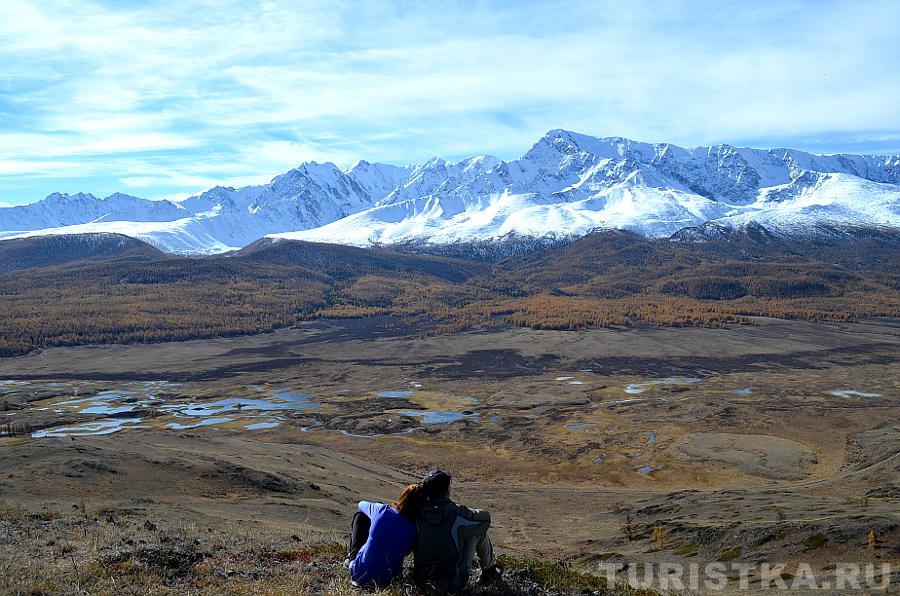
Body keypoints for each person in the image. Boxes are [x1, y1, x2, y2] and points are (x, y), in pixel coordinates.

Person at [413, 469, 502, 591]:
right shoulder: (456, 514)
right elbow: (485, 520)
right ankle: (489, 570)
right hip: (452, 583)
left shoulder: (416, 513)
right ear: (447, 491)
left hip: (421, 580)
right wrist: (464, 510)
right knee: (477, 530)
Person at [347, 483, 426, 587]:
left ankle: (352, 558)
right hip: (388, 580)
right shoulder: (414, 529)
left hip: (359, 574)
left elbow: (361, 505)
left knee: (360, 516)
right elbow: (406, 552)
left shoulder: (383, 511)